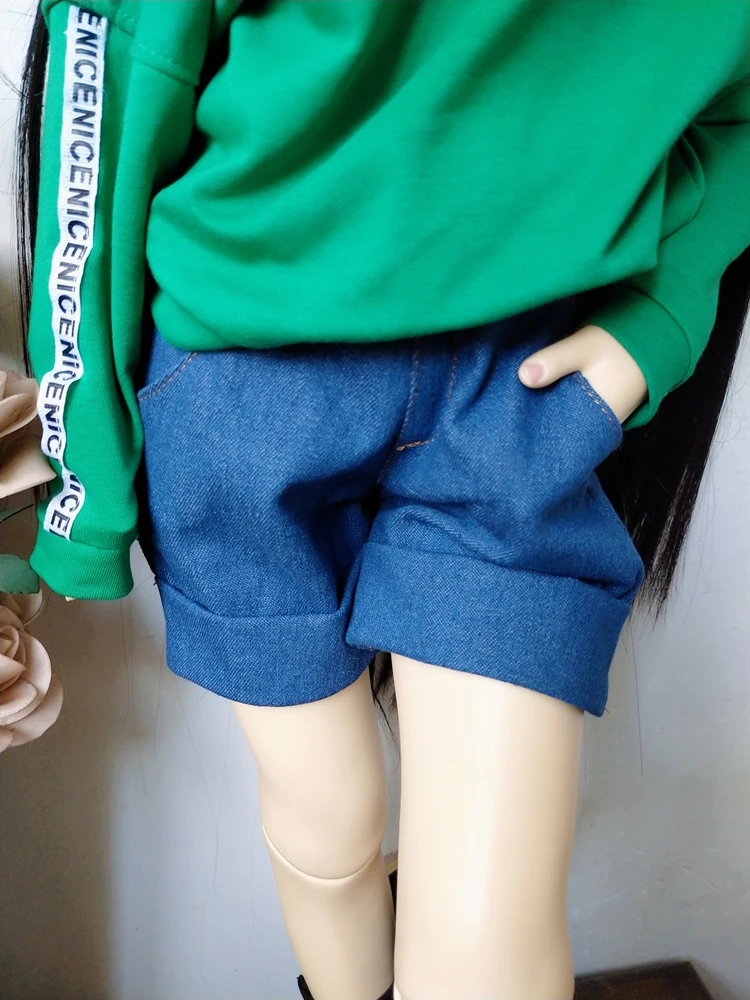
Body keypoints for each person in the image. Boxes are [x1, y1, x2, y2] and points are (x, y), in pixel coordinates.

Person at [15, 2, 750, 997]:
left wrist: (657, 316)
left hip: (520, 387)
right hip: (247, 388)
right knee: (328, 822)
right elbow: (110, 81)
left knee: (491, 934)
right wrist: (81, 485)